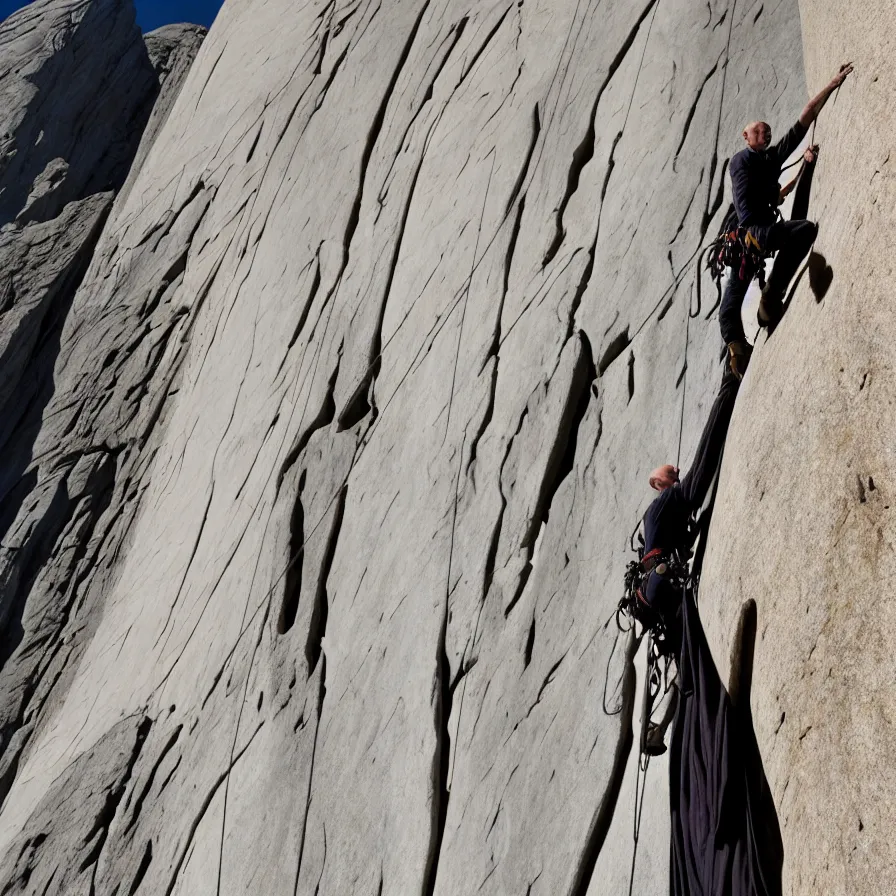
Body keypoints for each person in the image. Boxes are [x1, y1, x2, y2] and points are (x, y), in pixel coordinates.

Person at [721, 62, 854, 379]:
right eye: (758, 130)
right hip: (751, 236)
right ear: (745, 136)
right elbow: (747, 202)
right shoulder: (743, 160)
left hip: (755, 236)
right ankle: (739, 348)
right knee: (732, 300)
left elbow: (803, 120)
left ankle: (765, 306)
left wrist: (804, 165)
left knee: (799, 232)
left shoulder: (768, 159)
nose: (764, 132)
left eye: (766, 129)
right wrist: (755, 223)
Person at [641, 366, 740, 616]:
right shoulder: (659, 506)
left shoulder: (660, 516)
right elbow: (700, 470)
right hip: (664, 574)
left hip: (664, 579)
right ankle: (729, 385)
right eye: (669, 471)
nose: (676, 468)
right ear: (656, 482)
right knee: (699, 470)